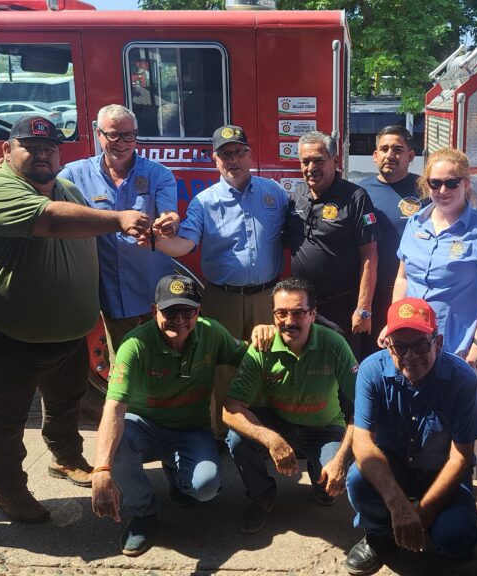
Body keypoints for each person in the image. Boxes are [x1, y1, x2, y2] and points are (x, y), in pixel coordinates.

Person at [0, 116, 152, 524]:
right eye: (30, 146)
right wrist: (118, 218)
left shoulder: (68, 186)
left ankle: (64, 457)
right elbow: (50, 220)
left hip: (66, 334)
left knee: (65, 402)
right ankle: (9, 490)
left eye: (49, 148)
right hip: (3, 335)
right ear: (7, 151)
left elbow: (75, 215)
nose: (42, 153)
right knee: (3, 418)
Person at [90, 274, 248, 556]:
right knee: (120, 444)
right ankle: (143, 514)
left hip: (191, 430)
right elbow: (113, 409)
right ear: (154, 311)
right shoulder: (134, 345)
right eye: (170, 311)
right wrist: (101, 470)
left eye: (187, 311)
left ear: (198, 312)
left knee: (206, 488)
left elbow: (247, 358)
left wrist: (268, 337)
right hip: (145, 428)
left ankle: (178, 476)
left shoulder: (212, 332)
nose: (179, 319)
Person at [157, 124, 290, 436]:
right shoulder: (203, 202)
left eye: (239, 152)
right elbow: (184, 245)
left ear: (249, 155)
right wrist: (155, 240)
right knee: (222, 369)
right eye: (225, 154)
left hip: (266, 297)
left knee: (267, 363)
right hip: (222, 298)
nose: (234, 160)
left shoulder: (275, 194)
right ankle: (221, 435)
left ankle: (260, 435)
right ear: (215, 160)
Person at [344, 298, 477, 575]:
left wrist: (420, 516)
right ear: (388, 345)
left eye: (420, 344)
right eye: (400, 346)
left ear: (438, 343)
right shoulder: (371, 371)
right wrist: (398, 507)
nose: (410, 355)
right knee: (357, 479)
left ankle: (427, 528)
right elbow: (362, 442)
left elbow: (461, 456)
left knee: (456, 541)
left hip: (443, 472)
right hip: (394, 467)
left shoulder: (463, 379)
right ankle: (380, 534)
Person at [223, 277, 358, 534]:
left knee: (332, 486)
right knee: (236, 436)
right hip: (278, 423)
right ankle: (261, 495)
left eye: (298, 312)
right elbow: (230, 408)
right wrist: (271, 439)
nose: (289, 321)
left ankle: (321, 478)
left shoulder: (334, 344)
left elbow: (364, 406)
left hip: (325, 428)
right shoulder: (261, 348)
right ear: (272, 314)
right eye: (281, 313)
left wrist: (341, 459)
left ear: (313, 313)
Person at [58, 104, 180, 360]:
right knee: (123, 366)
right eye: (113, 135)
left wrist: (169, 221)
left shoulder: (159, 174)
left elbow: (170, 213)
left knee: (163, 361)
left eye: (129, 136)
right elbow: (42, 194)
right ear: (98, 134)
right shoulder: (73, 174)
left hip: (152, 290)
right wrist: (3, 170)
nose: (121, 143)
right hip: (110, 292)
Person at [393, 147, 477, 370]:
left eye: (451, 183)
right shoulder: (415, 223)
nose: (442, 190)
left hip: (456, 347)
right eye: (435, 183)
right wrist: (395, 323)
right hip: (410, 343)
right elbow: (403, 278)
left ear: (465, 183)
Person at [288, 131, 379, 357]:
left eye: (318, 160)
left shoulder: (356, 197)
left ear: (334, 161)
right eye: (305, 161)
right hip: (303, 307)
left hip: (342, 309)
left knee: (346, 376)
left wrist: (363, 309)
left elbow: (370, 255)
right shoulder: (297, 195)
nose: (311, 167)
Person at [357, 125, 422, 350]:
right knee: (371, 354)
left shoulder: (426, 190)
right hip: (371, 294)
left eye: (397, 149)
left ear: (411, 155)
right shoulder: (359, 193)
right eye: (383, 149)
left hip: (412, 292)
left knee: (409, 354)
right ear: (375, 156)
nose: (389, 155)